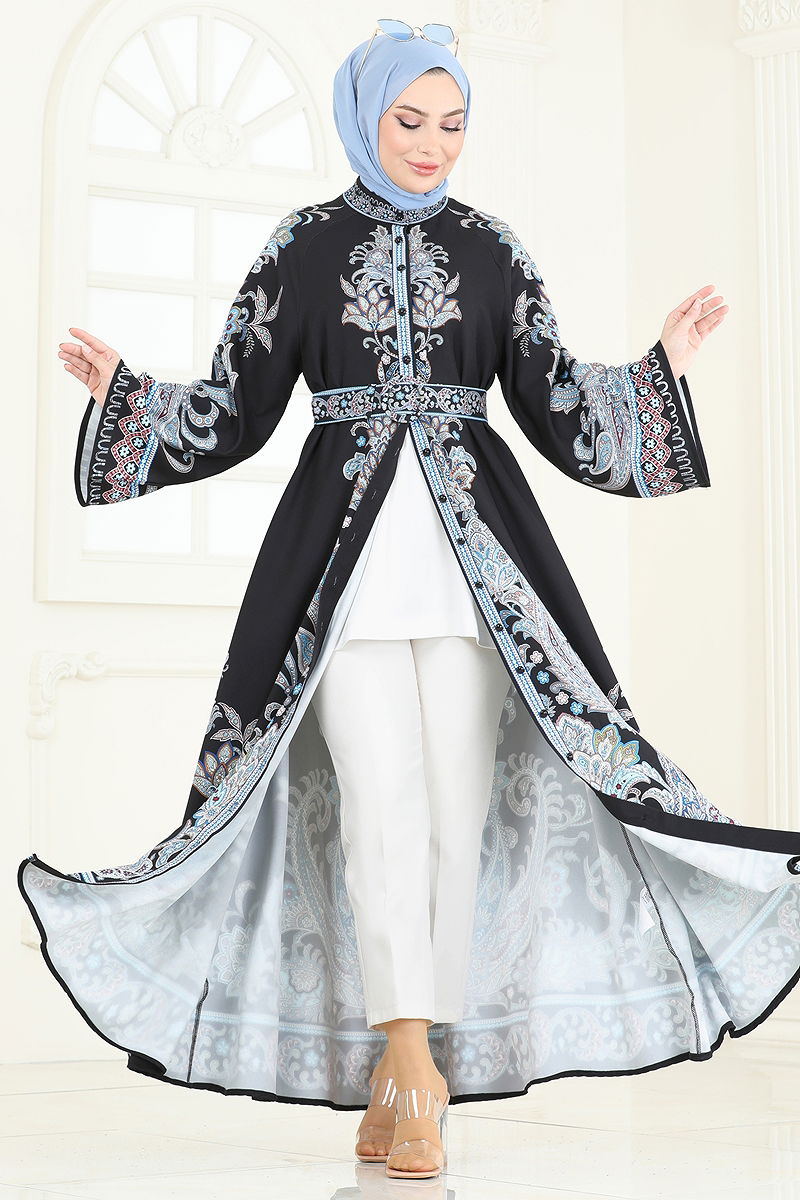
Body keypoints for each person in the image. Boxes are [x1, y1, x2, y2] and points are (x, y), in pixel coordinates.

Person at [27, 17, 800, 1191]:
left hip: (477, 578)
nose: (431, 144)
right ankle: (403, 1062)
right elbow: (237, 404)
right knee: (376, 814)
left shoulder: (492, 249)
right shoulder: (301, 246)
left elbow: (551, 398)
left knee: (454, 822)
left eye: (451, 124)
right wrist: (130, 399)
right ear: (363, 116)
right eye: (408, 121)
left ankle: (414, 1071)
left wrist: (657, 371)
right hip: (336, 579)